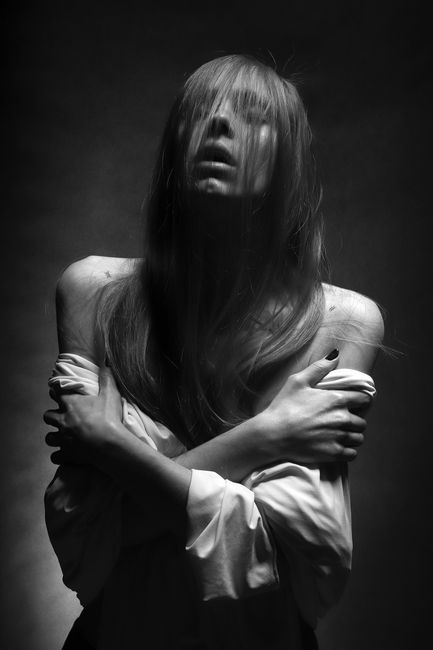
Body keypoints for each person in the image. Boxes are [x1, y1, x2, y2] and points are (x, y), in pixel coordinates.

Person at [43, 55, 384, 650]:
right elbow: (86, 543)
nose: (219, 122)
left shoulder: (344, 322)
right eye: (199, 110)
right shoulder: (92, 292)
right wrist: (268, 435)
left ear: (287, 157)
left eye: (251, 114)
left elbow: (281, 557)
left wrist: (111, 446)